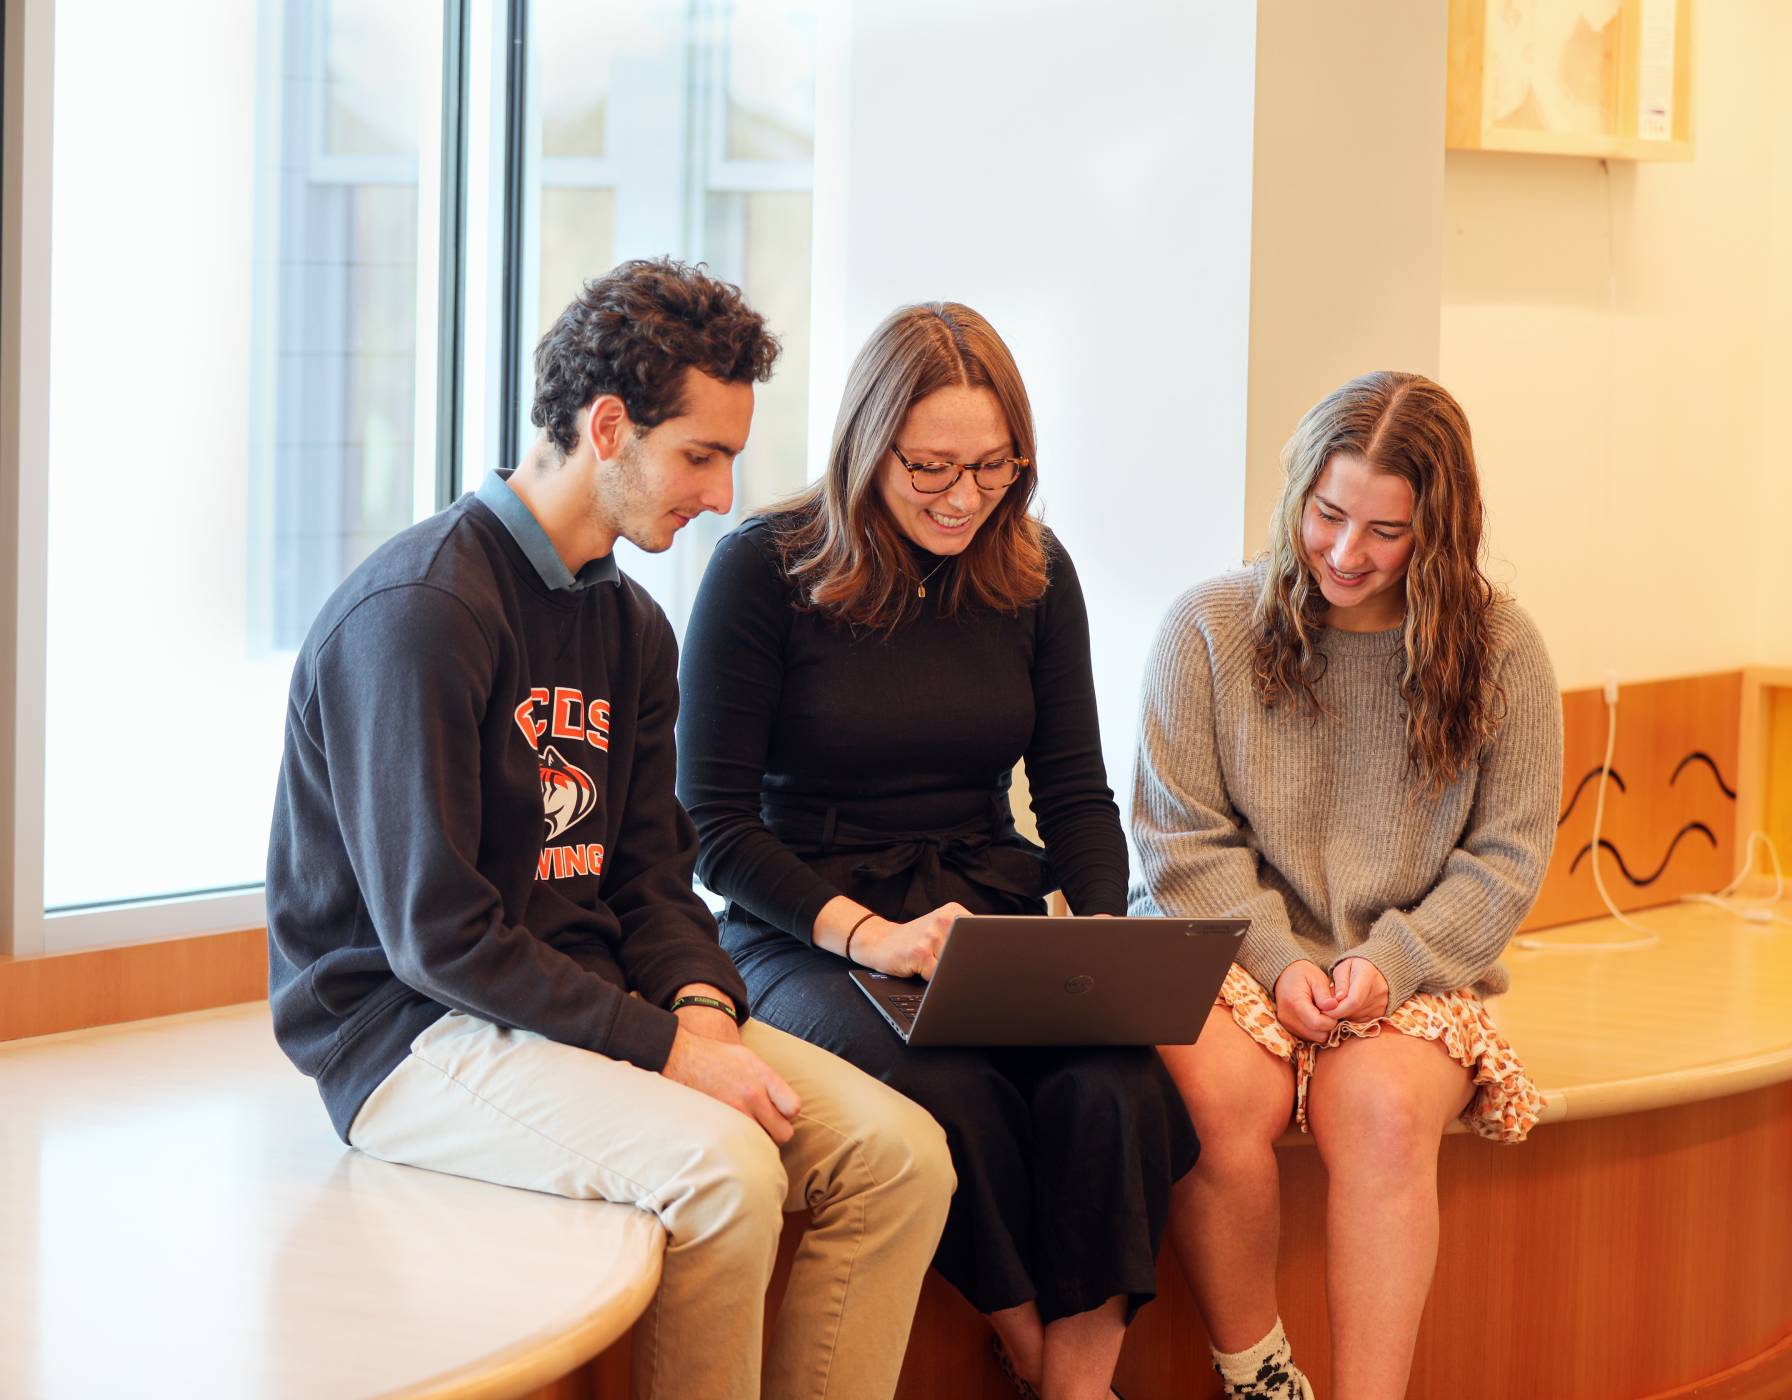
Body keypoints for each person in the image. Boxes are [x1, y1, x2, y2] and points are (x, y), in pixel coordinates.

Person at [266, 257, 954, 1400]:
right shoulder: (424, 614)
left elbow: (650, 876)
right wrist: (673, 1055)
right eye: (701, 454)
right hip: (408, 1036)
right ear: (606, 426)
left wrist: (698, 1007)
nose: (725, 494)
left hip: (578, 1004)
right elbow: (437, 937)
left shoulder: (631, 627)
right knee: (730, 1170)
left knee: (901, 1158)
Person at [677, 302, 1195, 1400]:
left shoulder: (1032, 568)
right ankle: (1034, 1355)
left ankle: (1072, 1386)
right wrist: (870, 934)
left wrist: (1100, 943)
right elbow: (713, 826)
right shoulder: (761, 570)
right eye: (931, 467)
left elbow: (1071, 791)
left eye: (993, 468)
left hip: (978, 902)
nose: (964, 497)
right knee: (939, 1089)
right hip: (805, 924)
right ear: (869, 446)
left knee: (1115, 1084)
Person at [1131, 371, 1558, 1400]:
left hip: (1409, 966)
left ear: (1439, 531)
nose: (1343, 551)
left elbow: (1504, 857)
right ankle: (1257, 1375)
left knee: (1374, 1113)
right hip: (1227, 946)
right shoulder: (1205, 628)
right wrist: (1278, 964)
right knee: (1208, 1091)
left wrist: (1386, 961)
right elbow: (1181, 841)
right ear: (1294, 496)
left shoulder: (1502, 651)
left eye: (1385, 529)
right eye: (1326, 513)